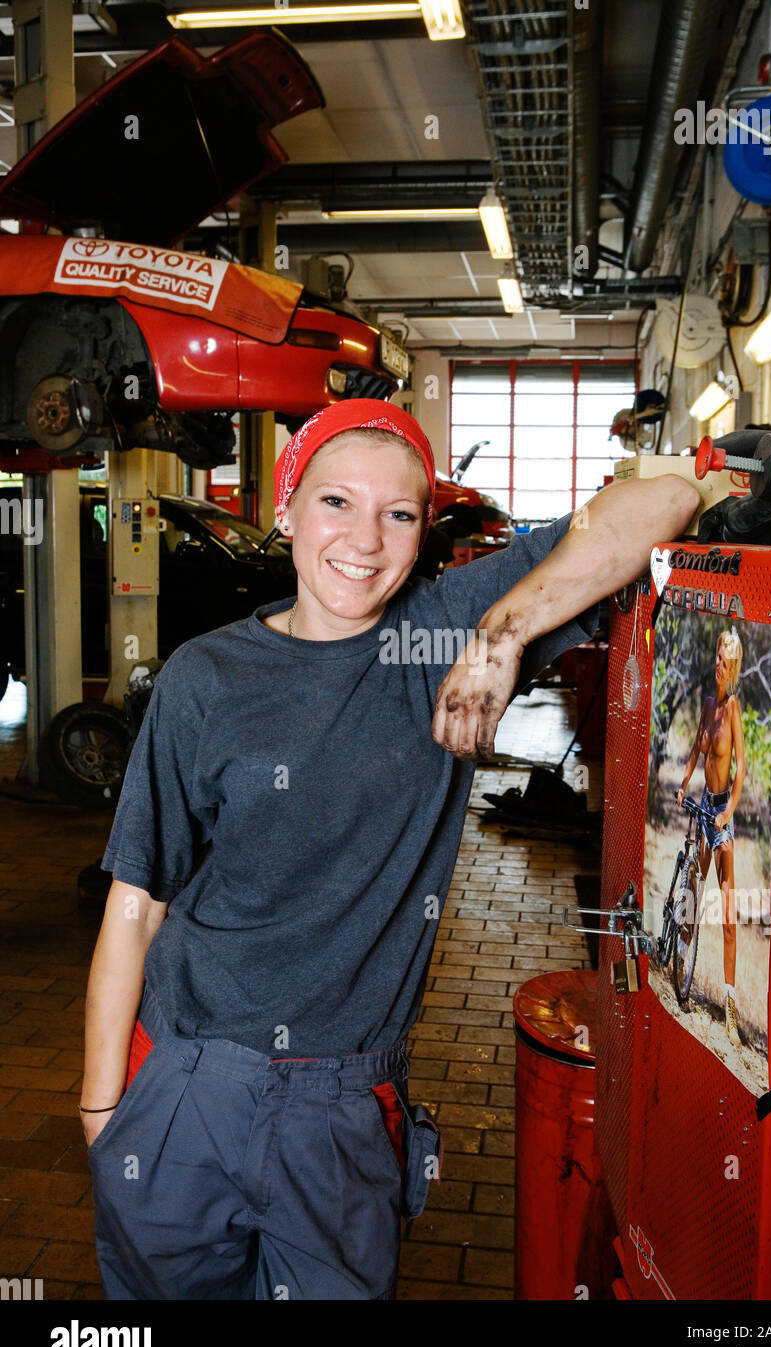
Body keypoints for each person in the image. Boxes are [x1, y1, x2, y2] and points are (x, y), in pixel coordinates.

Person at [82, 398, 699, 1300]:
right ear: (284, 512)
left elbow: (667, 500)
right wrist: (105, 1114)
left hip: (340, 1104)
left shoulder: (442, 629)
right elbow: (136, 907)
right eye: (335, 503)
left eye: (398, 514)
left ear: (422, 533)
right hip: (183, 1081)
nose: (363, 541)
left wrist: (500, 637)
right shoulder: (204, 679)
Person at [676, 628, 746, 1045]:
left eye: (725, 660)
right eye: (718, 657)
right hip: (703, 804)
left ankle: (732, 1009)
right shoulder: (707, 705)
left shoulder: (733, 707)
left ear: (733, 667)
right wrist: (684, 782)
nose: (718, 664)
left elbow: (741, 770)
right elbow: (696, 752)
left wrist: (729, 814)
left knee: (729, 911)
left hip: (722, 813)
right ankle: (683, 967)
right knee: (692, 894)